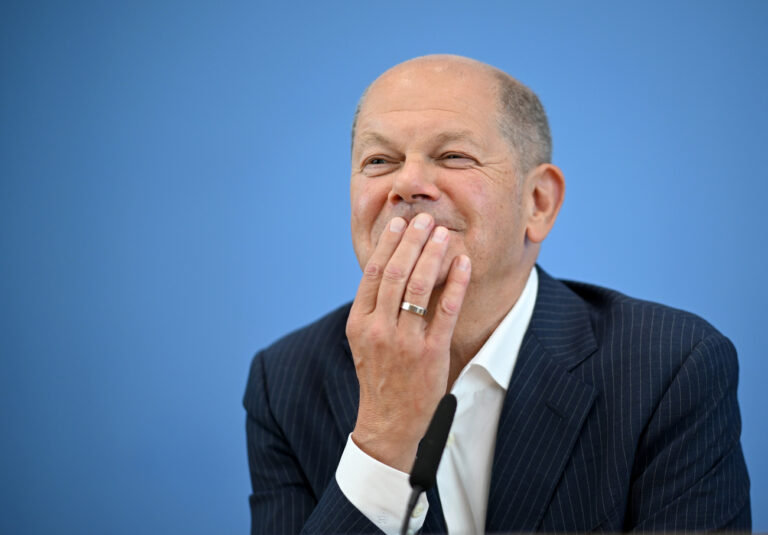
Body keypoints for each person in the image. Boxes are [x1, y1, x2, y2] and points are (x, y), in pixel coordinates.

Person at [243, 55, 751, 534]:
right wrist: (382, 438)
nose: (408, 183)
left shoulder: (670, 367)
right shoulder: (286, 381)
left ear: (538, 203)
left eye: (454, 156)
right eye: (379, 160)